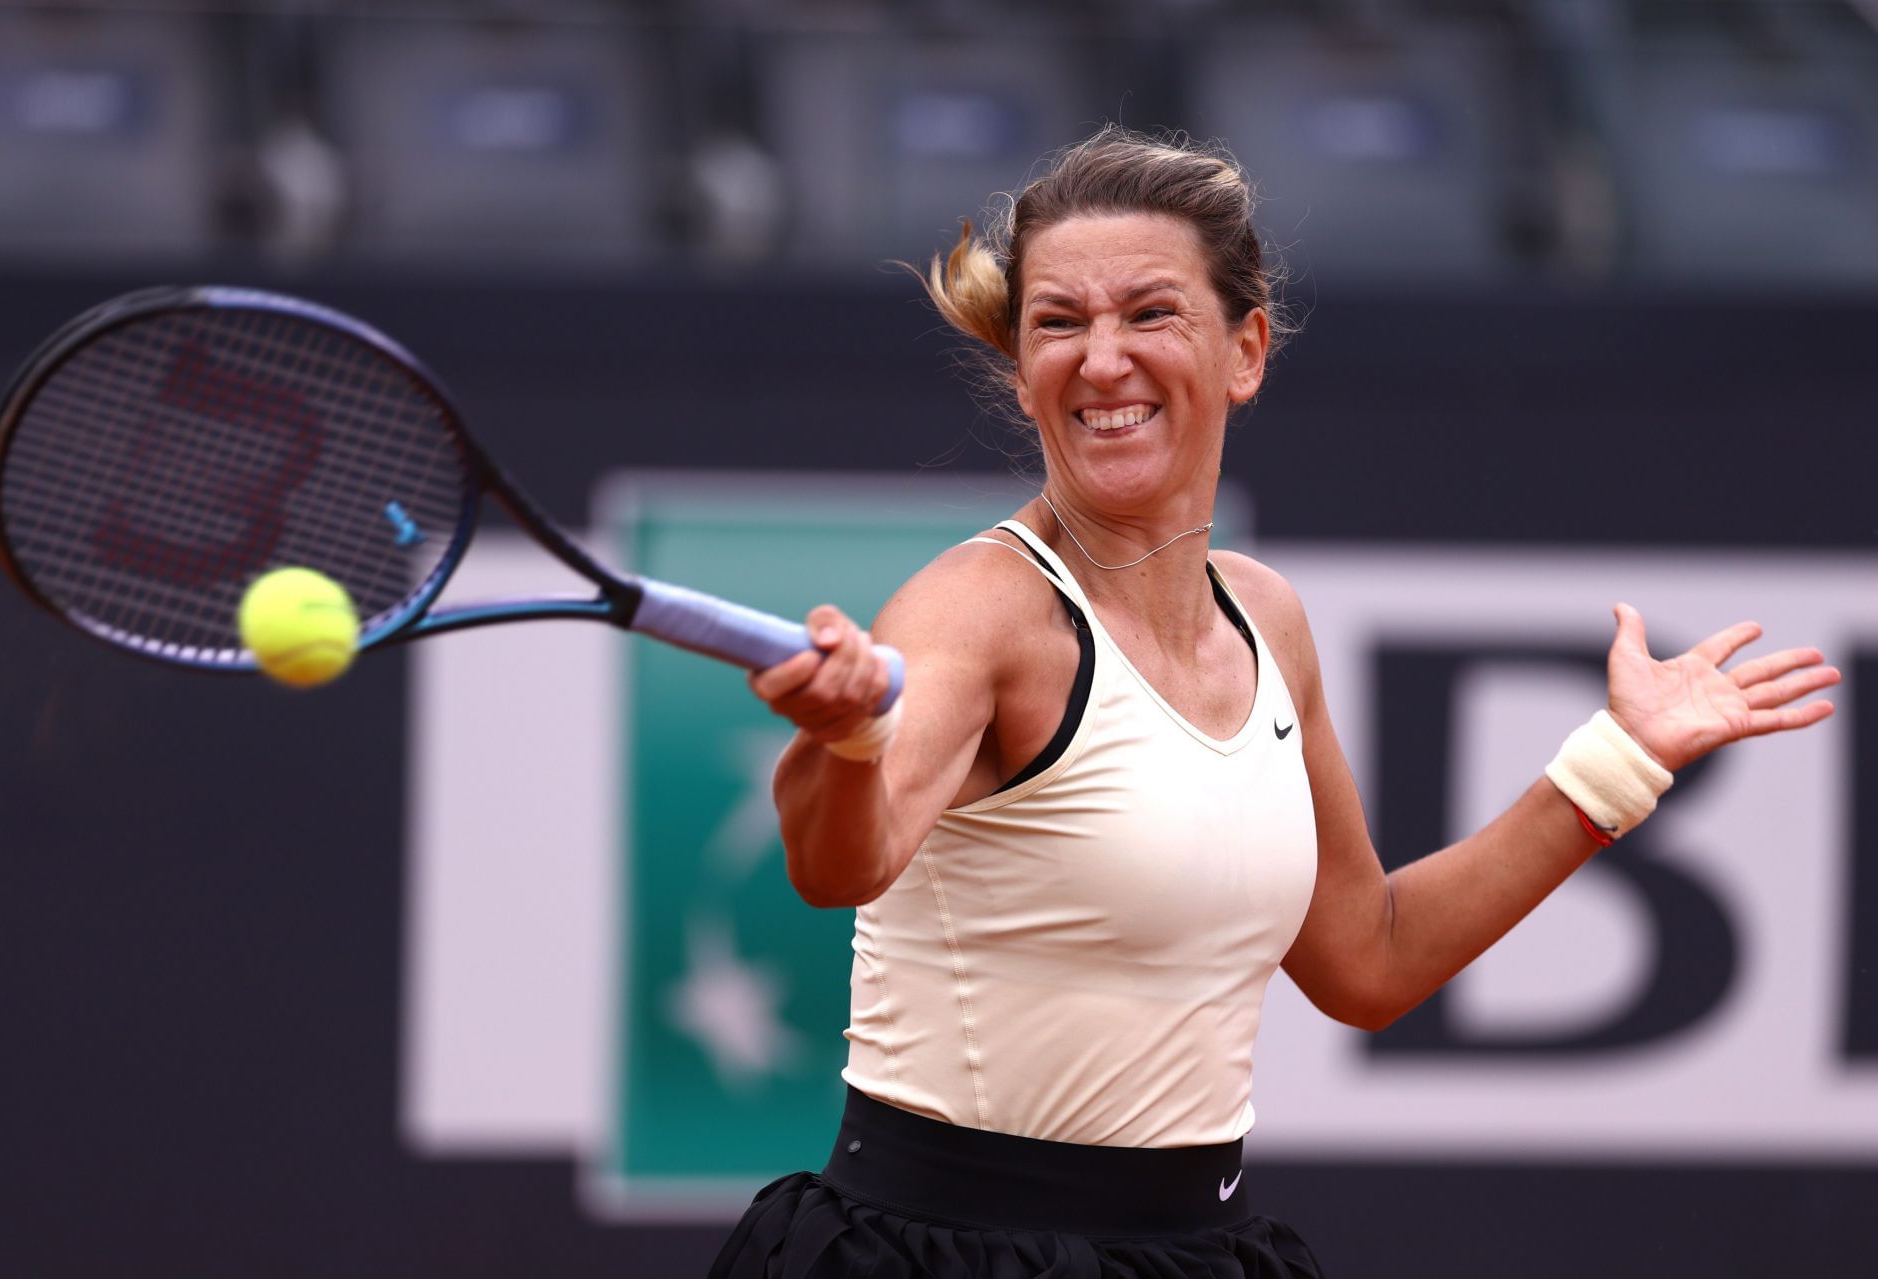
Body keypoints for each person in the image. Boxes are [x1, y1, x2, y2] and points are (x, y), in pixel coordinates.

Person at [708, 126, 1840, 1278]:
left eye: (1150, 313)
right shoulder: (974, 611)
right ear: (1020, 368)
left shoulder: (1267, 620)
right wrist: (845, 740)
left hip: (1191, 1253)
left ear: (1244, 350)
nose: (1102, 360)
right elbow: (841, 865)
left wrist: (1618, 764)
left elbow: (1367, 960)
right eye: (1059, 322)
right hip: (937, 1258)